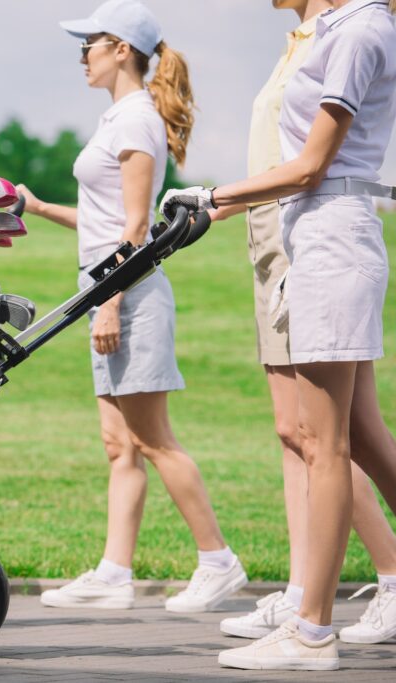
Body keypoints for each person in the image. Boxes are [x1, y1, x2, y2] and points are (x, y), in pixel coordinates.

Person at [162, 0, 396, 670]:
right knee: (361, 437)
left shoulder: (360, 31)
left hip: (330, 237)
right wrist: (217, 206)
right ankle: (310, 622)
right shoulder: (336, 31)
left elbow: (310, 165)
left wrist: (211, 195)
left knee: (327, 445)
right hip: (316, 234)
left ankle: (311, 632)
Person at [20, 0, 247, 614]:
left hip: (130, 298)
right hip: (108, 291)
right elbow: (102, 222)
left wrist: (112, 303)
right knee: (119, 445)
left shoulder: (136, 121)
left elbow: (137, 230)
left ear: (122, 49)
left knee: (154, 441)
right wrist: (40, 209)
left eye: (89, 43)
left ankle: (219, 562)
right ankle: (114, 573)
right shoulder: (117, 117)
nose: (82, 55)